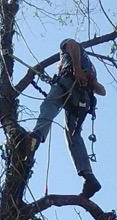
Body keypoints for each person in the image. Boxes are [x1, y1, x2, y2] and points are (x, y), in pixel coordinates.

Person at [28, 38, 106, 196]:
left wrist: (76, 69)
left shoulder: (67, 48)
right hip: (82, 98)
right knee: (73, 134)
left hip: (69, 83)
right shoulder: (90, 67)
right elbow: (102, 91)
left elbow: (72, 44)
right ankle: (88, 177)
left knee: (49, 105)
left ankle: (35, 138)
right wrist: (91, 81)